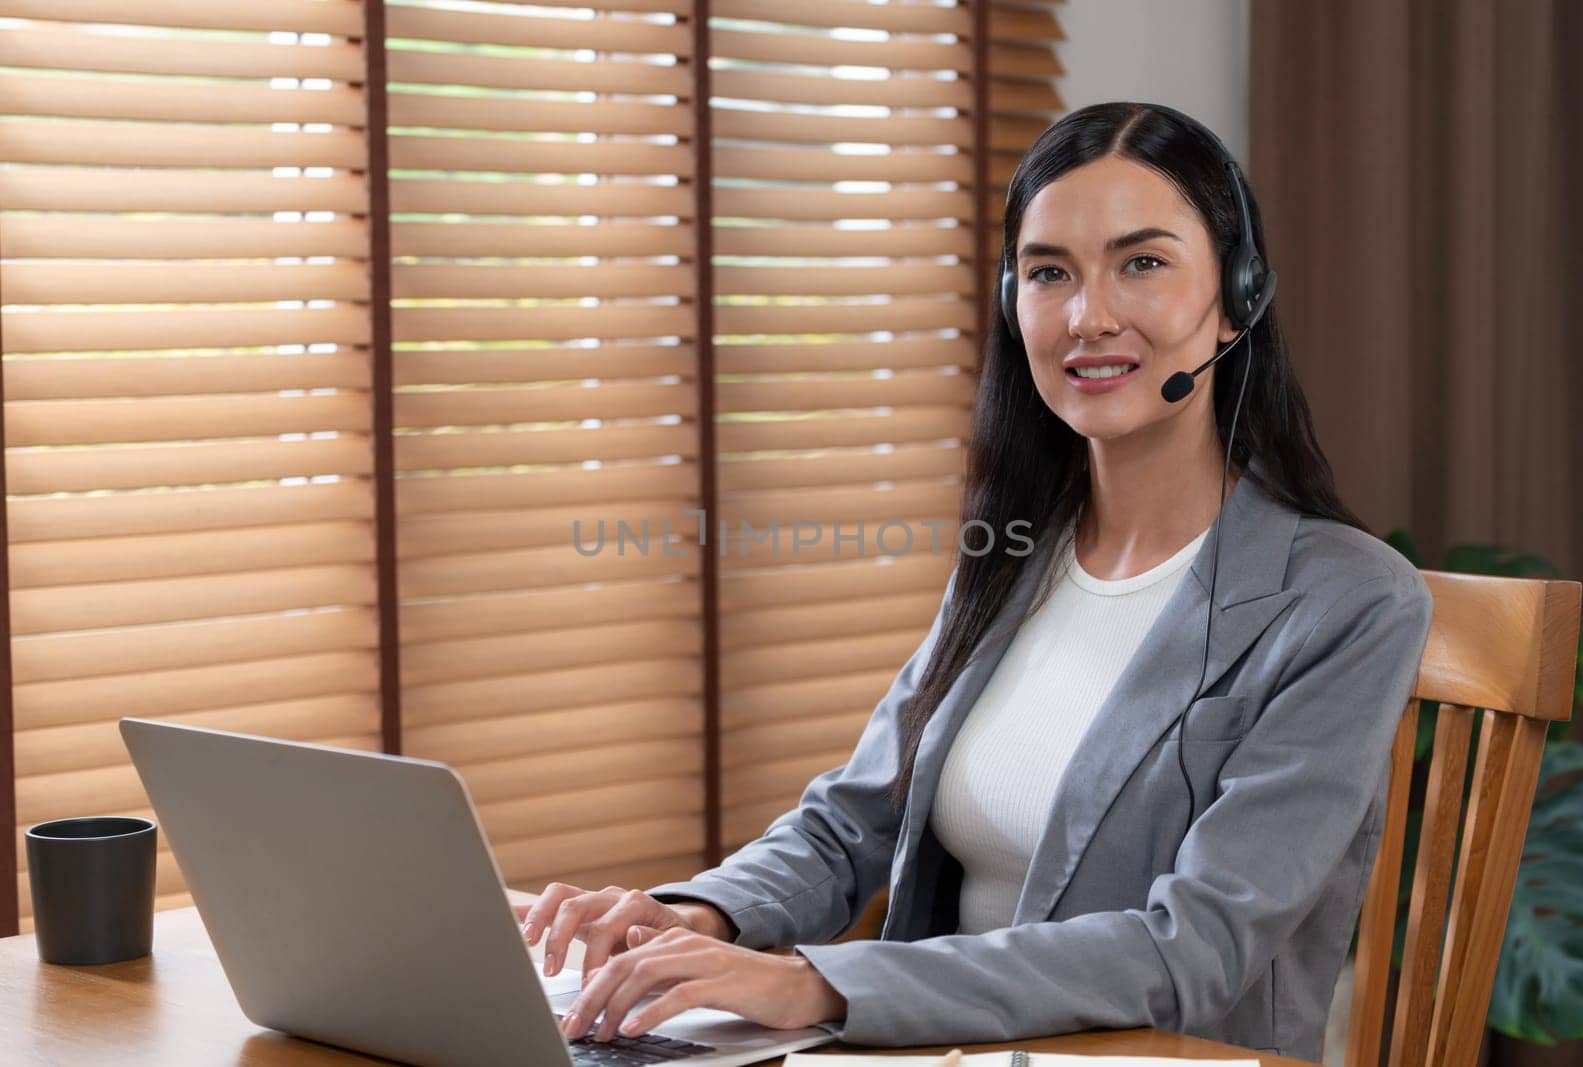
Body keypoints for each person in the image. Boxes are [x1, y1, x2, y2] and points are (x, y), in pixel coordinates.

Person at [514, 101, 1433, 1062]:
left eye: (1143, 263)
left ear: (1238, 297)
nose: (1090, 316)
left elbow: (1192, 950)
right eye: (1049, 273)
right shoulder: (1017, 551)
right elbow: (854, 816)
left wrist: (815, 982)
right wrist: (702, 915)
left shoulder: (1349, 601)